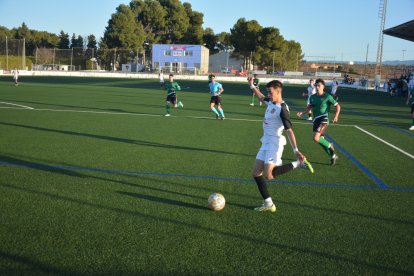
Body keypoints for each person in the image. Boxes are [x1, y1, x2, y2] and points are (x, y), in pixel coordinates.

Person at [248, 77, 314, 212]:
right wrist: (252, 86)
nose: (268, 95)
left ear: (278, 92)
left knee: (269, 175)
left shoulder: (283, 109)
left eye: (270, 92)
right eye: (268, 92)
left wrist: (296, 150)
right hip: (265, 141)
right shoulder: (271, 102)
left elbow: (289, 131)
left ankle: (298, 163)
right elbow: (261, 98)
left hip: (274, 142)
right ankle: (268, 204)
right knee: (256, 173)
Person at [296, 78, 341, 165]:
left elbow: (338, 106)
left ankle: (330, 145)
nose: (317, 87)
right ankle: (333, 156)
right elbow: (310, 107)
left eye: (319, 86)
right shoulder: (313, 97)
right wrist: (303, 112)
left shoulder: (327, 96)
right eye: (316, 85)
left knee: (316, 138)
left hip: (324, 119)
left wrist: (336, 116)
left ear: (323, 87)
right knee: (320, 140)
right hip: (316, 120)